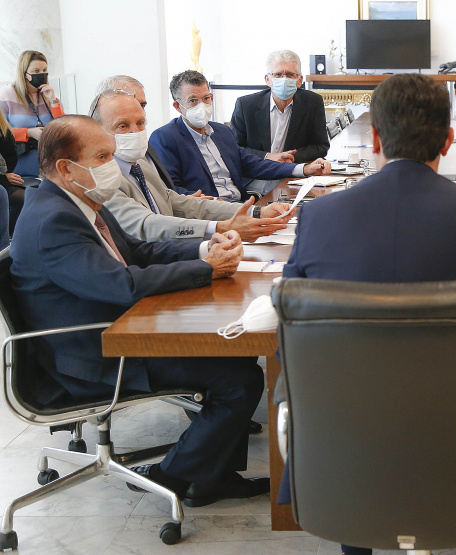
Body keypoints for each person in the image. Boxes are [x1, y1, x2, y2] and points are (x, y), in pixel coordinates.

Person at [282, 73, 456, 555]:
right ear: (449, 141)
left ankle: (359, 536)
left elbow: (292, 332)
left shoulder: (318, 218)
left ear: (374, 138)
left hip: (347, 450)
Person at [10, 115, 270, 507]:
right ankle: (174, 474)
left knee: (238, 352)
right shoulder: (53, 220)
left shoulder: (77, 199)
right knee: (240, 380)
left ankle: (211, 473)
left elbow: (135, 250)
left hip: (115, 328)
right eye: (101, 156)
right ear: (66, 168)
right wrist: (206, 269)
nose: (111, 167)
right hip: (91, 353)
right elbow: (121, 284)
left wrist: (206, 249)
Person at [92, 88, 294, 242]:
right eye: (123, 126)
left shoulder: (140, 163)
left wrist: (254, 212)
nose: (135, 132)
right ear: (98, 131)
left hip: (181, 249)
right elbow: (146, 224)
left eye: (140, 123)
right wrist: (221, 228)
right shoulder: (103, 177)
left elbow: (176, 202)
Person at [149, 70, 330, 200]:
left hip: (242, 205)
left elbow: (253, 164)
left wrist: (303, 169)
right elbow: (170, 189)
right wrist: (206, 202)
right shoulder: (165, 138)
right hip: (209, 214)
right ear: (177, 106)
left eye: (206, 98)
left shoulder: (221, 131)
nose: (201, 105)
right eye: (193, 101)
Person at [230, 50, 330, 195]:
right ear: (267, 79)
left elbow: (321, 146)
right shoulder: (246, 105)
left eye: (290, 75)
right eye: (277, 74)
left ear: (299, 80)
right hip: (255, 177)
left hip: (293, 174)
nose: (284, 79)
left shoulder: (312, 102)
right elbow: (234, 149)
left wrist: (291, 158)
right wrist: (268, 156)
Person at [0, 51, 65, 182]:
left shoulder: (49, 95)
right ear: (24, 73)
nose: (41, 74)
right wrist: (28, 132)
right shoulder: (6, 95)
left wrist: (53, 101)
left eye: (44, 70)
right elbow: (1, 133)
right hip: (21, 158)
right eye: (36, 71)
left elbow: (63, 126)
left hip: (49, 158)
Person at [1, 110, 21, 235]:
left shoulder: (4, 130)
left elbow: (11, 158)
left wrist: (4, 176)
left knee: (26, 199)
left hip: (3, 179)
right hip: (2, 181)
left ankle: (13, 239)